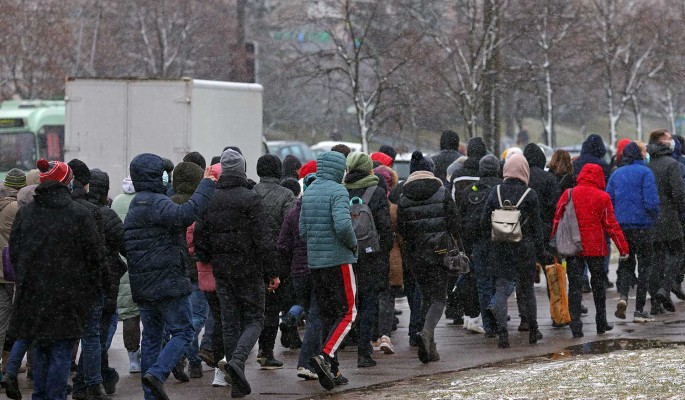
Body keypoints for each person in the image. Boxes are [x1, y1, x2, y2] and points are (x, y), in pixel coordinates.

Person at [6, 161, 100, 400]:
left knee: (40, 348)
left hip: (33, 294)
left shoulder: (26, 213)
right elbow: (93, 257)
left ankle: (39, 395)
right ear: (68, 182)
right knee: (61, 349)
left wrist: (28, 277)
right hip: (68, 295)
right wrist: (91, 289)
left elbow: (15, 252)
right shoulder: (80, 214)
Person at [124, 153, 215, 400]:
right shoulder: (156, 202)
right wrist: (206, 184)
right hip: (167, 282)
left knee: (152, 338)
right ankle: (158, 373)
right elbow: (187, 213)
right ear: (156, 176)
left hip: (144, 284)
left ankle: (150, 394)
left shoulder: (137, 204)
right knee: (184, 332)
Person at [194, 149, 280, 398]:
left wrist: (208, 257)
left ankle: (235, 372)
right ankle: (238, 361)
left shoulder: (210, 198)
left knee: (230, 321)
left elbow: (201, 235)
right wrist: (272, 271)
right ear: (242, 170)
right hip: (249, 269)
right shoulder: (250, 198)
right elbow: (264, 238)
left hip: (222, 270)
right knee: (255, 318)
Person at [299, 151, 358, 390]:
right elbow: (343, 225)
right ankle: (324, 356)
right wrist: (354, 244)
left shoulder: (309, 191)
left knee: (328, 315)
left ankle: (333, 369)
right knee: (349, 313)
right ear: (338, 169)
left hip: (316, 263)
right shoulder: (338, 191)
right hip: (339, 260)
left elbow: (302, 231)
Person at [552, 164, 629, 338]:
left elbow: (557, 218)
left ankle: (576, 325)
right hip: (596, 247)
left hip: (573, 247)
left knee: (575, 287)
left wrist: (554, 243)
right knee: (598, 286)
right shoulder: (603, 197)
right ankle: (601, 321)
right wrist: (623, 247)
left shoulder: (569, 193)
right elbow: (611, 225)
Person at [397, 151, 460, 362]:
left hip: (416, 256)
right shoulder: (442, 192)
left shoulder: (403, 197)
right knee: (439, 299)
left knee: (425, 297)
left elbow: (402, 229)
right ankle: (426, 334)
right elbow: (454, 223)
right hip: (440, 253)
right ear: (430, 171)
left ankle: (430, 347)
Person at [481, 154, 546, 349]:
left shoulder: (496, 192)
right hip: (524, 249)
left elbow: (484, 222)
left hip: (500, 247)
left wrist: (491, 239)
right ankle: (533, 330)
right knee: (527, 290)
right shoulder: (530, 194)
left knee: (501, 289)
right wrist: (541, 253)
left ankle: (503, 334)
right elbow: (537, 228)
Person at [66, 159, 110, 400]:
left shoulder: (58, 207)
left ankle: (61, 382)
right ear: (87, 184)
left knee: (63, 337)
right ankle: (92, 384)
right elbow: (98, 251)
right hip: (90, 284)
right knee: (91, 336)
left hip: (64, 282)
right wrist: (105, 280)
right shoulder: (92, 211)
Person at [343, 153, 392, 368]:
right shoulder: (377, 192)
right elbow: (384, 228)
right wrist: (382, 251)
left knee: (347, 303)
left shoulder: (341, 191)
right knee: (369, 302)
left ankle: (339, 346)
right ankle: (364, 352)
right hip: (371, 257)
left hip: (346, 255)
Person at [606, 142, 659, 323]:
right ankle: (639, 310)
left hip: (623, 227)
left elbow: (609, 199)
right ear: (639, 155)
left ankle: (623, 296)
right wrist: (653, 218)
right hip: (643, 226)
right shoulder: (646, 173)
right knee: (644, 266)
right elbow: (652, 202)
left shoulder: (616, 174)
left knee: (627, 263)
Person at [87, 169, 128, 396]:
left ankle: (98, 375)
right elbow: (125, 246)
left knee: (91, 332)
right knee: (100, 332)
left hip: (83, 281)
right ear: (105, 190)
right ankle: (95, 376)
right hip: (107, 280)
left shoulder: (79, 211)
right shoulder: (107, 215)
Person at [253, 154, 295, 369]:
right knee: (272, 307)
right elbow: (291, 226)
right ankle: (266, 350)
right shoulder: (287, 195)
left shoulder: (251, 193)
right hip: (278, 258)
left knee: (252, 306)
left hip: (251, 258)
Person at [278, 173, 320, 380]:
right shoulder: (320, 211)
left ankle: (291, 316)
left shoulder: (293, 212)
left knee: (303, 302)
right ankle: (308, 362)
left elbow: (283, 244)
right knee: (316, 315)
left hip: (298, 271)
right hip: (318, 268)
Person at [169, 162, 209, 380]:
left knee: (181, 319)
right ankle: (187, 357)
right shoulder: (198, 205)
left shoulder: (167, 204)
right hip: (197, 269)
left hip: (174, 269)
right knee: (198, 316)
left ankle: (184, 357)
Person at [456, 155, 502, 336]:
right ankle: (497, 314)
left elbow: (461, 220)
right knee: (503, 282)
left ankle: (488, 325)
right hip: (501, 241)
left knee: (482, 283)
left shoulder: (468, 191)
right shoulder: (501, 189)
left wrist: (466, 246)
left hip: (478, 243)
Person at [647, 129, 685, 314]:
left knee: (657, 260)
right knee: (677, 253)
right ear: (662, 141)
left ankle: (655, 302)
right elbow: (679, 193)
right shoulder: (672, 164)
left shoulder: (648, 165)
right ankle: (665, 288)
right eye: (669, 139)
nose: (672, 142)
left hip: (651, 219)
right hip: (670, 217)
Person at [111, 176, 141, 374]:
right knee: (148, 312)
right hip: (141, 260)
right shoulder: (144, 200)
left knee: (128, 312)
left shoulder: (116, 201)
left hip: (122, 263)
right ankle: (149, 353)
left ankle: (133, 358)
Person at [0, 169, 26, 374]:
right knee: (8, 322)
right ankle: (6, 366)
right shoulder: (17, 208)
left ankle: (7, 364)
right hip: (9, 271)